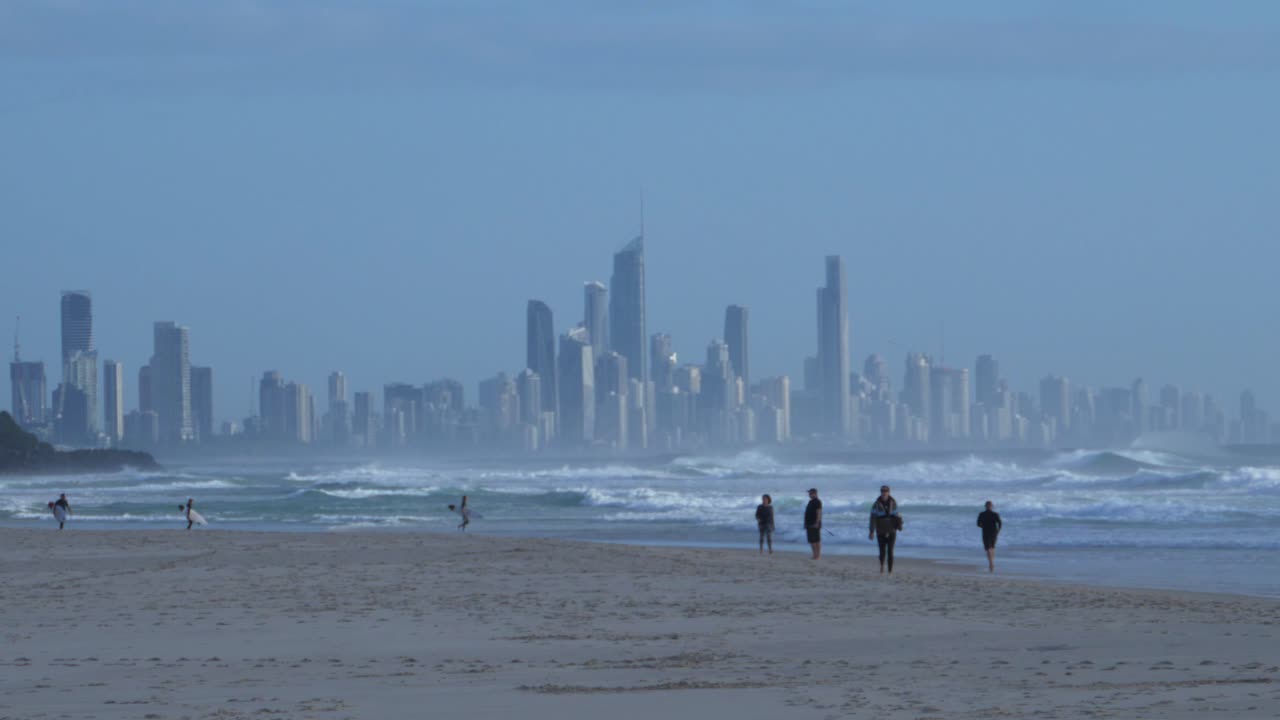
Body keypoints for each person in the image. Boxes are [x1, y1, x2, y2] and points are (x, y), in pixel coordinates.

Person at [868, 485, 901, 574]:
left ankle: (890, 570)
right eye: (883, 491)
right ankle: (882, 565)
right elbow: (872, 518)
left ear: (888, 492)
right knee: (882, 550)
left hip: (891, 530)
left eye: (886, 491)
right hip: (880, 530)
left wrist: (900, 525)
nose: (884, 493)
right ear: (881, 492)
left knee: (890, 551)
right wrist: (871, 531)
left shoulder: (893, 503)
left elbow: (898, 516)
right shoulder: (876, 504)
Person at [977, 501, 1003, 572]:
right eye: (989, 505)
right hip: (992, 532)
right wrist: (998, 530)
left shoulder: (983, 514)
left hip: (988, 532)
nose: (989, 507)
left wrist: (984, 526)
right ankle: (991, 562)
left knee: (990, 548)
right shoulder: (994, 514)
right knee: (990, 548)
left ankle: (991, 563)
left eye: (989, 505)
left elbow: (978, 524)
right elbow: (1000, 523)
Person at [804, 488, 822, 560]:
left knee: (815, 540)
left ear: (815, 493)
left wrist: (817, 522)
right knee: (812, 541)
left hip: (814, 524)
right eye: (809, 493)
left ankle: (817, 555)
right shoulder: (811, 501)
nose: (809, 494)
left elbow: (819, 512)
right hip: (809, 524)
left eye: (811, 493)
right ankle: (815, 555)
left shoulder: (817, 501)